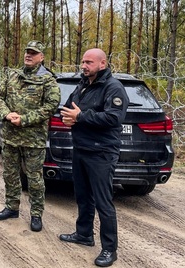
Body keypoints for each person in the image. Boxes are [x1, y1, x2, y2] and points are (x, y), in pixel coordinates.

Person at [59, 48, 129, 267]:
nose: (84, 65)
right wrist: (68, 118)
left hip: (101, 153)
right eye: (83, 61)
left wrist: (80, 116)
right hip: (80, 149)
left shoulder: (113, 87)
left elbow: (113, 118)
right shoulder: (83, 84)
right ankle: (84, 234)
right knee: (82, 196)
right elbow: (69, 107)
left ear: (102, 64)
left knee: (103, 202)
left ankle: (109, 249)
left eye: (89, 62)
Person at [0, 40, 60, 232]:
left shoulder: (48, 80)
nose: (28, 55)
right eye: (27, 52)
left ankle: (36, 214)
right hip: (11, 137)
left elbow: (50, 107)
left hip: (33, 139)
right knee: (10, 174)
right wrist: (6, 113)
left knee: (35, 179)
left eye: (33, 53)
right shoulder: (12, 75)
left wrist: (24, 119)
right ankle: (12, 207)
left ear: (42, 57)